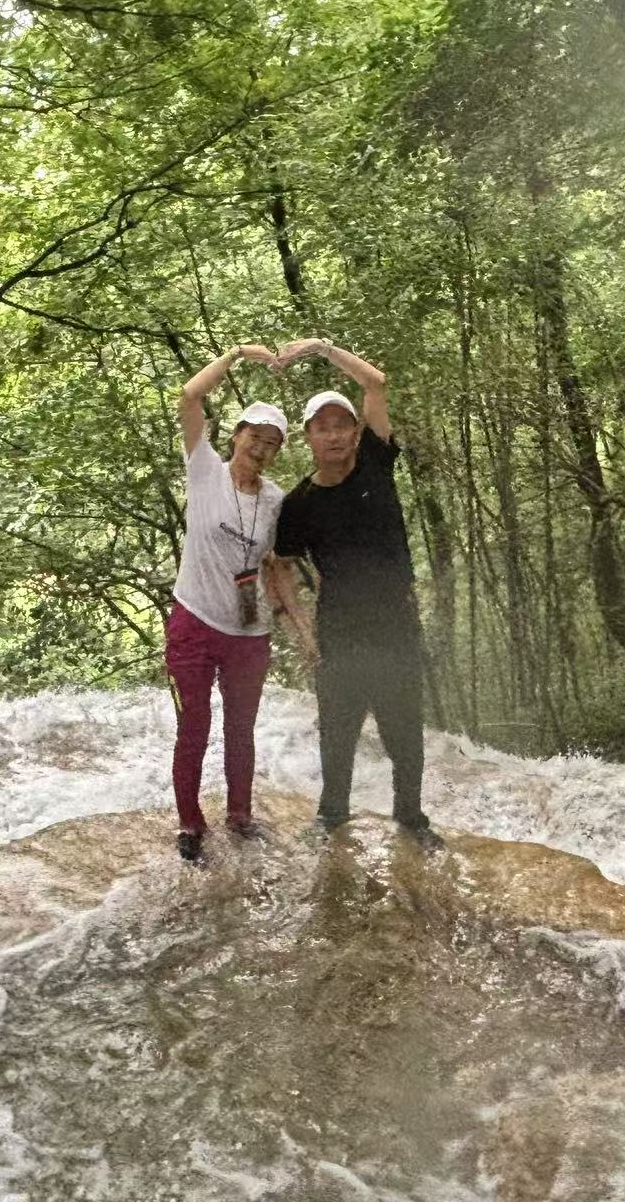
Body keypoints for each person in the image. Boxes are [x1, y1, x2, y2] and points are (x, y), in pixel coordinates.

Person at [268, 337, 439, 848]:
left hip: (396, 625)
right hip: (339, 632)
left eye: (342, 424)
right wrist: (301, 632)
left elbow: (376, 382)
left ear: (357, 431)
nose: (334, 435)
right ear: (308, 437)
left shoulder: (374, 465)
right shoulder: (299, 503)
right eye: (322, 427)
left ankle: (411, 818)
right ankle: (331, 816)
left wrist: (321, 347)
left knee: (403, 729)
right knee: (337, 731)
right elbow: (280, 567)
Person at [167, 343, 296, 864]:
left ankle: (240, 815)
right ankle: (190, 823)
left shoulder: (276, 500)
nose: (261, 449)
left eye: (272, 443)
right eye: (254, 437)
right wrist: (238, 354)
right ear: (236, 435)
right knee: (193, 726)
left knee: (241, 730)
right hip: (194, 622)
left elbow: (275, 566)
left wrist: (295, 623)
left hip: (249, 633)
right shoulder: (204, 470)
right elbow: (190, 396)